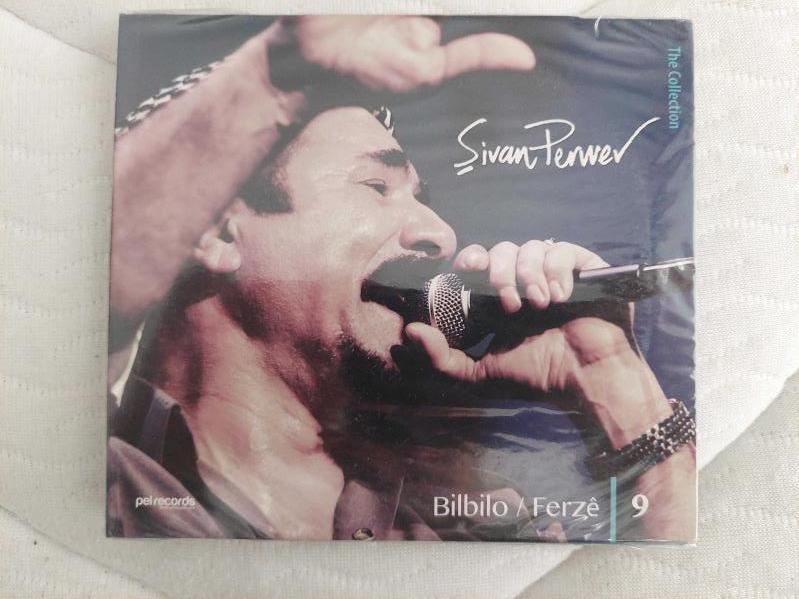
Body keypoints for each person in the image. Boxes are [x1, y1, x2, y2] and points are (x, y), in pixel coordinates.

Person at [107, 16, 695, 541]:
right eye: (376, 187)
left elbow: (669, 576)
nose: (442, 234)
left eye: (421, 198)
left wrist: (611, 374)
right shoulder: (108, 467)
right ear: (215, 230)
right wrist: (271, 83)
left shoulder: (467, 509)